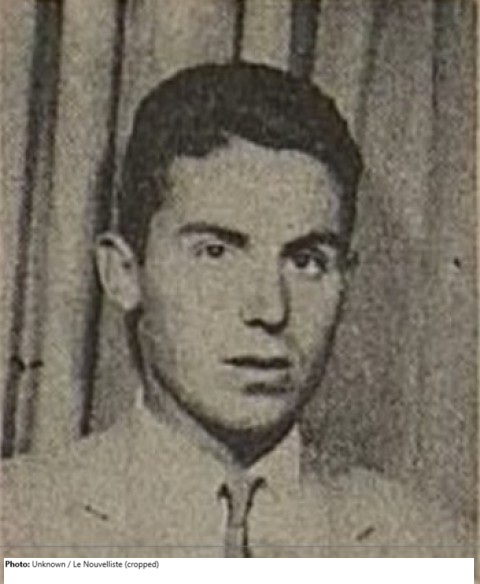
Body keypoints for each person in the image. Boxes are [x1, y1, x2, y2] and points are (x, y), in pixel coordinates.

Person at [2, 63, 468, 558]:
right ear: (124, 272)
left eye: (306, 261)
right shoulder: (18, 526)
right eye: (216, 252)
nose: (269, 310)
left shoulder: (438, 550)